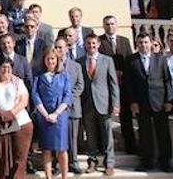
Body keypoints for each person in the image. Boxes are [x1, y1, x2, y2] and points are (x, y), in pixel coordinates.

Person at [126, 33, 173, 172]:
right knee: (144, 133)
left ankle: (165, 161)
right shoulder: (131, 60)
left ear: (151, 43)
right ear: (137, 44)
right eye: (140, 42)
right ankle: (146, 161)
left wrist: (169, 100)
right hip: (141, 102)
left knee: (163, 133)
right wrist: (133, 102)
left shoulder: (161, 59)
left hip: (159, 102)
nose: (143, 45)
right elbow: (129, 84)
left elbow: (168, 80)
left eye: (146, 42)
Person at [0, 58, 34, 179]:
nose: (6, 70)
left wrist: (11, 114)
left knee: (19, 157)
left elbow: (24, 100)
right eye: (3, 67)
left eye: (8, 67)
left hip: (21, 124)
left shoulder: (18, 82)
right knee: (2, 156)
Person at [78, 33, 119, 176]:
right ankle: (92, 161)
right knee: (90, 136)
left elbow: (113, 83)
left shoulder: (107, 60)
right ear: (85, 44)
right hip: (87, 105)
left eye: (94, 43)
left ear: (98, 44)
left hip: (104, 103)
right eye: (88, 43)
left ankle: (109, 163)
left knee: (107, 136)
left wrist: (115, 103)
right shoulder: (79, 62)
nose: (91, 46)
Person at [31, 49, 73, 179]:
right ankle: (49, 177)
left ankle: (64, 176)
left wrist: (55, 114)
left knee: (61, 149)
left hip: (60, 117)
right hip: (44, 116)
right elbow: (35, 95)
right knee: (46, 148)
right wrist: (45, 114)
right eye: (48, 58)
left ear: (57, 60)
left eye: (53, 58)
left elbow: (67, 95)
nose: (50, 61)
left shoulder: (64, 75)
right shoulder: (39, 76)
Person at [97, 15, 135, 154]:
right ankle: (104, 148)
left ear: (116, 25)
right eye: (107, 24)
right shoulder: (99, 41)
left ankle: (131, 146)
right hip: (106, 85)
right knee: (104, 118)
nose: (110, 26)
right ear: (103, 26)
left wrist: (122, 73)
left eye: (112, 23)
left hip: (123, 85)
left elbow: (130, 61)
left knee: (126, 118)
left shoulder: (124, 41)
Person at [53, 36, 85, 174]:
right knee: (57, 137)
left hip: (71, 107)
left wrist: (67, 101)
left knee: (72, 137)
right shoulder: (51, 64)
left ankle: (73, 162)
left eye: (61, 47)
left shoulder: (76, 65)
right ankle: (57, 164)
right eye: (56, 47)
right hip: (56, 108)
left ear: (67, 48)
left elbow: (80, 85)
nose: (59, 50)